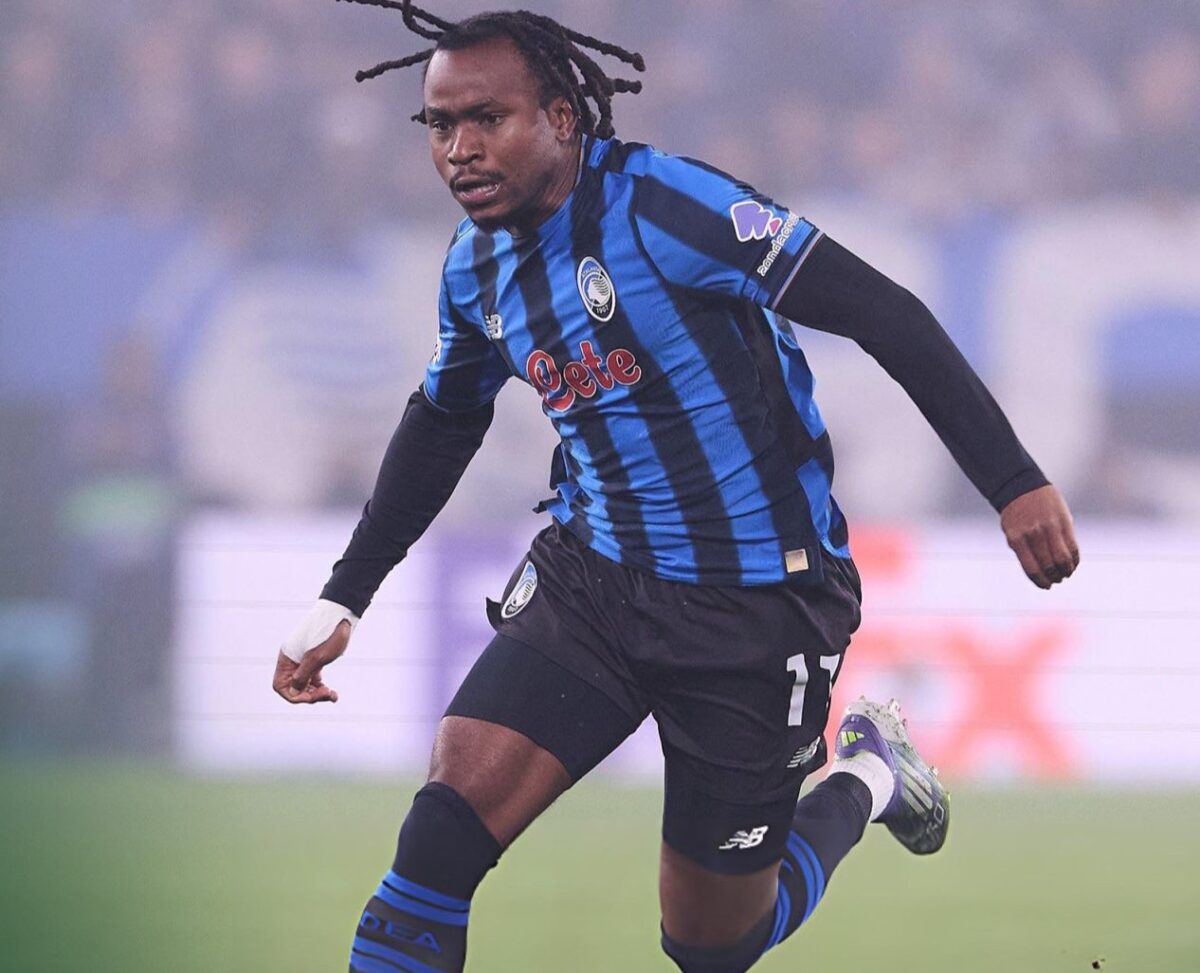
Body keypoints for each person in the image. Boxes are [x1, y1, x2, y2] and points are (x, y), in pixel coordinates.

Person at [273, 4, 1081, 971]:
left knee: (710, 946)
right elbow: (445, 420)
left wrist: (1012, 479)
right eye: (441, 124)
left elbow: (883, 311)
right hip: (594, 582)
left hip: (757, 605)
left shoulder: (668, 207)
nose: (460, 149)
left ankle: (868, 773)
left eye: (488, 118)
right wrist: (344, 594)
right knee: (433, 849)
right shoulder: (474, 268)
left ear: (562, 118)